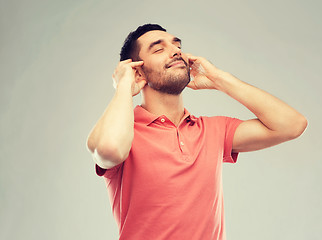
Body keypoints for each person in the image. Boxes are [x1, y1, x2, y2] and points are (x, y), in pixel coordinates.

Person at [86, 24, 307, 240]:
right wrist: (123, 85)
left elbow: (292, 125)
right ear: (138, 71)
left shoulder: (213, 130)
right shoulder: (125, 134)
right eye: (159, 49)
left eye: (177, 45)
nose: (175, 51)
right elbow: (109, 150)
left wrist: (219, 79)